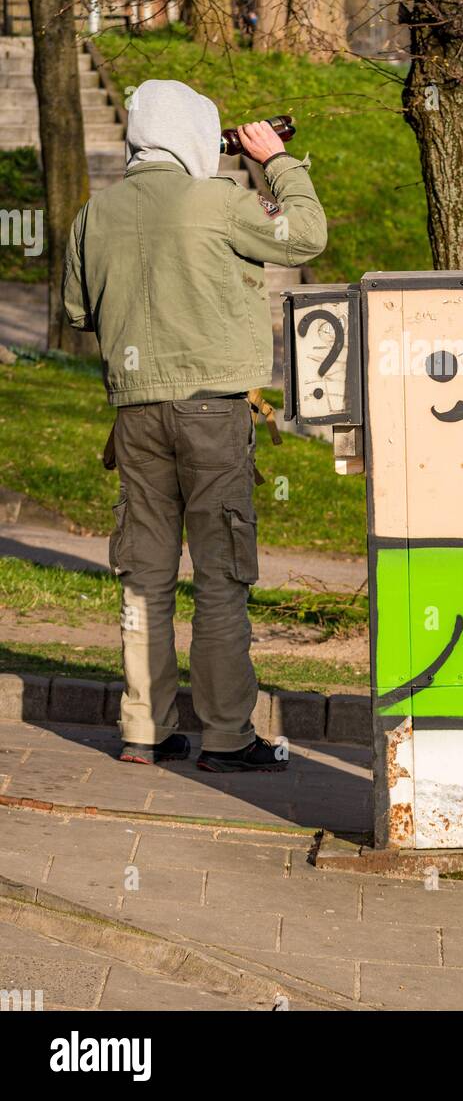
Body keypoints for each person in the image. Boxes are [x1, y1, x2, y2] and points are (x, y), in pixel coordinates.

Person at [62, 79, 327, 771]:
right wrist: (276, 161)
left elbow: (77, 311)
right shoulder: (217, 200)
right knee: (219, 575)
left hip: (134, 415)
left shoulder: (96, 214)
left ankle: (142, 733)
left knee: (144, 575)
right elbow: (306, 235)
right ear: (195, 133)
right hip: (212, 411)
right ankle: (226, 737)